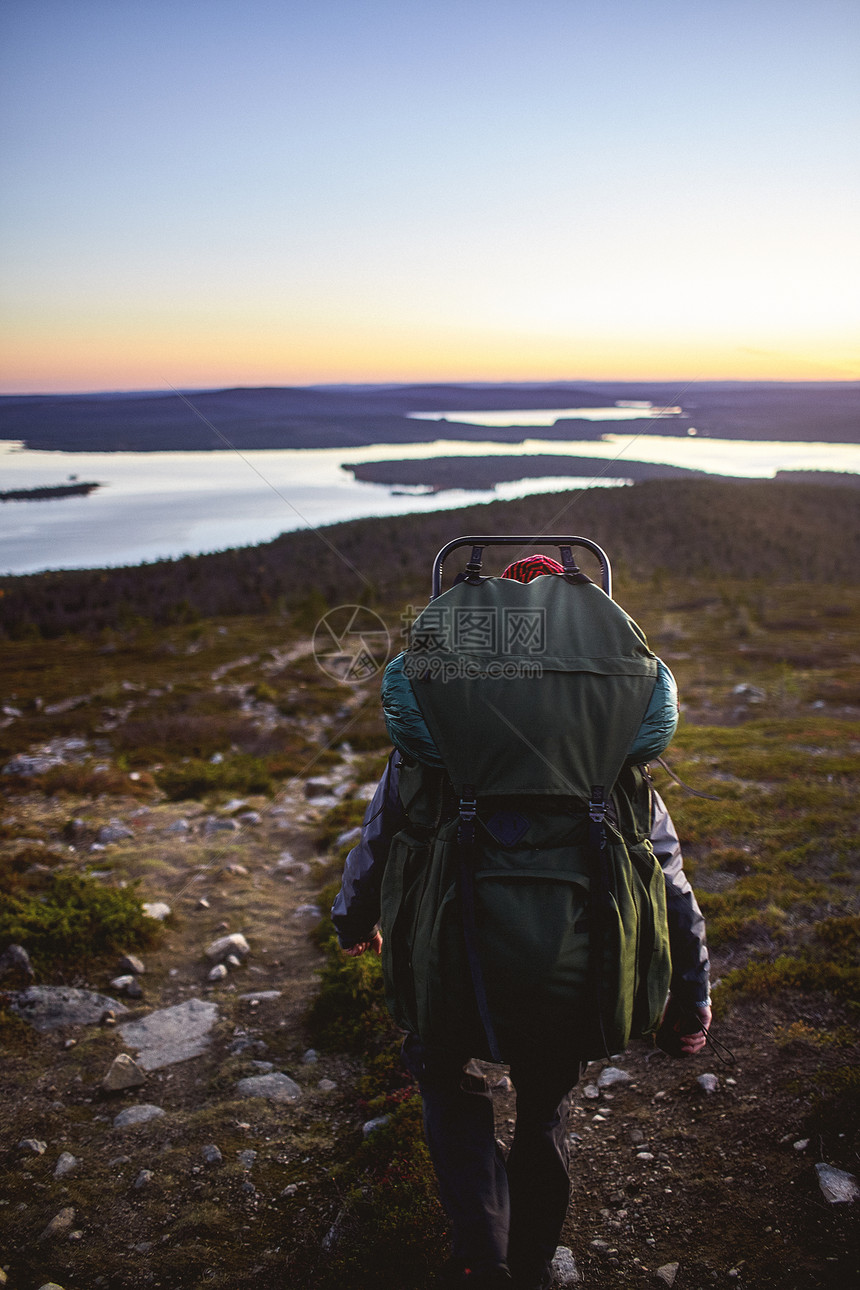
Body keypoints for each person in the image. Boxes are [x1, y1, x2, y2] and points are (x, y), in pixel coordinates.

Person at [332, 555, 710, 1290]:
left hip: (451, 952)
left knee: (442, 1070)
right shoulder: (616, 763)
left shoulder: (430, 744)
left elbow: (375, 843)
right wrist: (692, 993)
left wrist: (353, 922)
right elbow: (670, 881)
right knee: (544, 1104)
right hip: (574, 958)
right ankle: (533, 1263)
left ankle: (482, 1249)